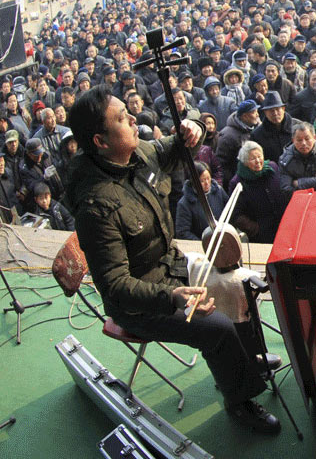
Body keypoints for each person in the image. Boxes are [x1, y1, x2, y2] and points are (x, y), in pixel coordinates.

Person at [67, 86, 280, 434]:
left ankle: (249, 361)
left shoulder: (137, 154)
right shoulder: (96, 205)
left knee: (237, 284)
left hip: (171, 267)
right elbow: (116, 285)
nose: (134, 120)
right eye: (122, 118)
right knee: (219, 329)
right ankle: (240, 401)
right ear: (100, 141)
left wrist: (193, 126)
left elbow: (176, 146)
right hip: (144, 303)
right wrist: (172, 297)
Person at [229, 140, 287, 244]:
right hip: (262, 235)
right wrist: (256, 229)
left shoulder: (272, 168)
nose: (258, 161)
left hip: (283, 227)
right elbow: (236, 215)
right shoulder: (237, 183)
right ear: (245, 162)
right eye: (252, 159)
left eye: (259, 156)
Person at [278, 121, 316, 193]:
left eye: (307, 139)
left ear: (314, 138)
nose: (303, 143)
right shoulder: (285, 160)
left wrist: (298, 183)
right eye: (299, 140)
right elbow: (286, 190)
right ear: (293, 140)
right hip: (299, 201)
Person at [175, 162, 228, 240]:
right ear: (194, 182)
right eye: (202, 181)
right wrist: (202, 243)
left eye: (208, 178)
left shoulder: (219, 191)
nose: (207, 183)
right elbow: (182, 232)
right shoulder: (184, 204)